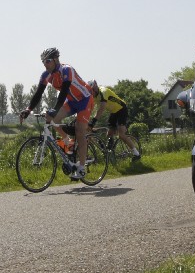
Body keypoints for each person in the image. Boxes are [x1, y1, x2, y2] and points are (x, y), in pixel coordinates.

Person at [18, 48, 95, 180]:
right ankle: (67, 141)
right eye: (43, 62)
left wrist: (55, 109)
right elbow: (39, 93)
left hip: (84, 100)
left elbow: (64, 91)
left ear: (55, 60)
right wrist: (28, 109)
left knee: (79, 131)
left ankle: (81, 168)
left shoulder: (66, 70)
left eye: (47, 61)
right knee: (51, 118)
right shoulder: (46, 75)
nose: (45, 64)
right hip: (71, 101)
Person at [89, 80, 141, 160]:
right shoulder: (93, 97)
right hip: (113, 111)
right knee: (109, 133)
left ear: (95, 88)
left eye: (91, 90)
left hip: (121, 109)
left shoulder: (103, 92)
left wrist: (93, 121)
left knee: (121, 135)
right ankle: (111, 153)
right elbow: (90, 109)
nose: (90, 93)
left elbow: (102, 108)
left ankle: (136, 154)